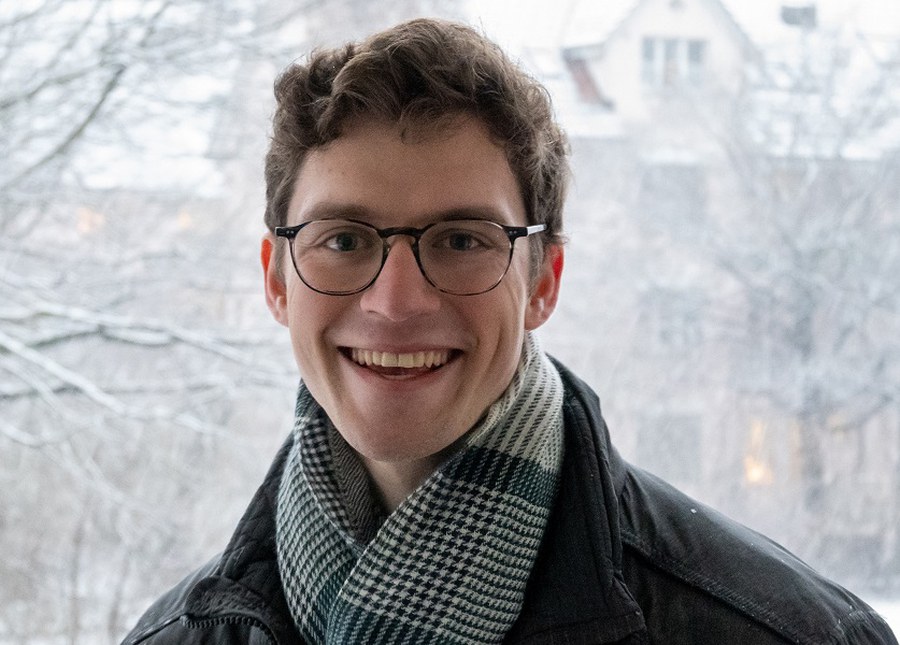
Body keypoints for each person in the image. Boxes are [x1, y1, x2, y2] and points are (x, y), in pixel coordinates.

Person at [122, 17, 897, 645]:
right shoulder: (172, 636)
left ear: (544, 281)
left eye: (461, 241)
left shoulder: (792, 633)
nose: (395, 302)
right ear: (276, 279)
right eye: (344, 240)